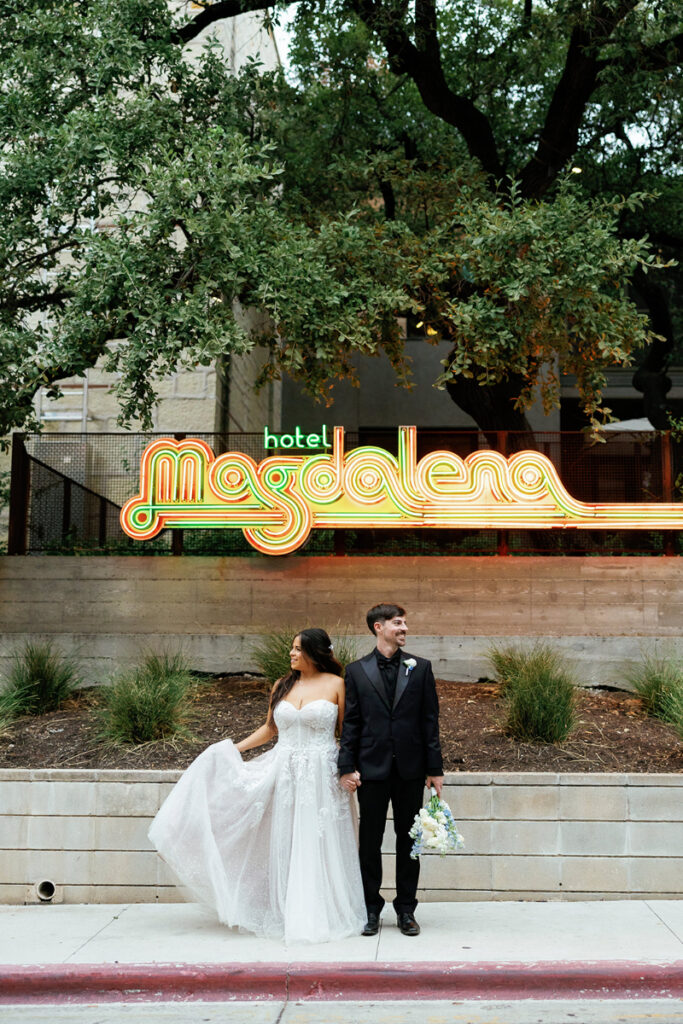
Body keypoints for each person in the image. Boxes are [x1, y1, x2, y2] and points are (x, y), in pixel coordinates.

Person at [148, 628, 366, 945]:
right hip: (285, 771)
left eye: (297, 649)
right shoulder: (282, 685)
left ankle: (323, 912)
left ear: (314, 653)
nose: (291, 654)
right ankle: (287, 910)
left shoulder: (337, 684)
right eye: (291, 648)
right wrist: (231, 751)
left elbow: (348, 732)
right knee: (287, 839)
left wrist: (350, 770)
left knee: (319, 841)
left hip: (324, 774)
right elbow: (269, 729)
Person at [338, 603, 444, 937]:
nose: (404, 628)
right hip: (371, 769)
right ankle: (370, 908)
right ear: (378, 627)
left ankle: (406, 910)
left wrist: (435, 768)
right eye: (398, 623)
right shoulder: (356, 672)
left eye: (405, 623)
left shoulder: (421, 668)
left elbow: (430, 721)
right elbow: (351, 723)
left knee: (408, 841)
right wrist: (346, 767)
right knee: (369, 842)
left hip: (410, 770)